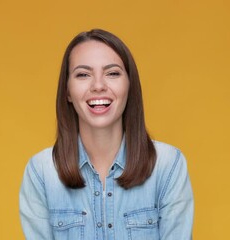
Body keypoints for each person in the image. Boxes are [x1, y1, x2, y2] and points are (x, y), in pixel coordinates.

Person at [19, 29, 194, 240]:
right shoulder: (41, 172)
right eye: (83, 74)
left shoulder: (168, 165)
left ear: (130, 85)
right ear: (67, 91)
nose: (98, 86)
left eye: (112, 73)